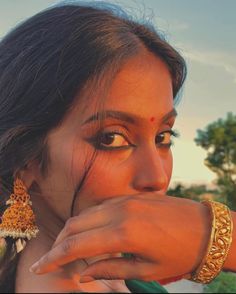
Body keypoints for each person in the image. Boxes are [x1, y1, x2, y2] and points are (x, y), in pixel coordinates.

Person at [0, 1, 235, 293]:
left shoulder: (133, 282)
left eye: (163, 137)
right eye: (111, 139)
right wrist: (223, 241)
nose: (157, 178)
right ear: (25, 158)